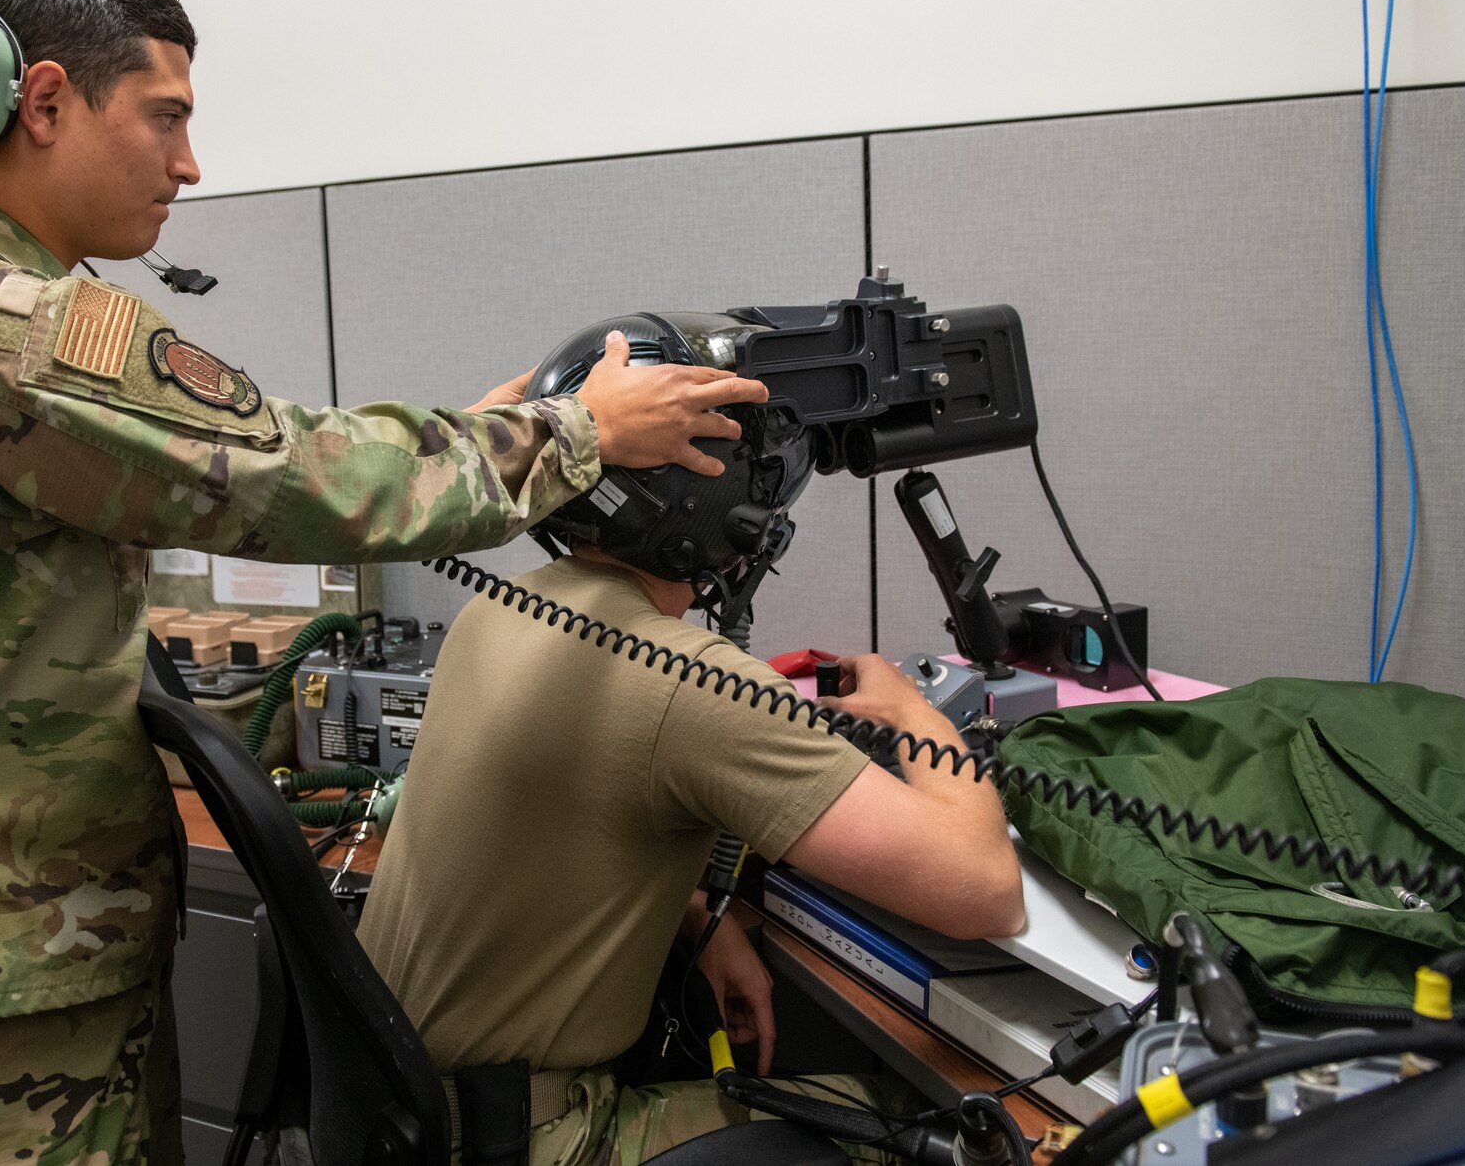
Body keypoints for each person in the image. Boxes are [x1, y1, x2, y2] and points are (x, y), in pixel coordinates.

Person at [0, 0, 766, 1166]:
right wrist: (576, 434)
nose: (188, 164)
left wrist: (490, 426)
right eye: (167, 115)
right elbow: (282, 477)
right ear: (48, 102)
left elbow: (261, 453)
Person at [358, 311, 1026, 1165]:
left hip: (407, 1117)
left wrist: (698, 913)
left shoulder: (496, 613)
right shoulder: (686, 679)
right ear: (714, 506)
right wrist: (916, 712)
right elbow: (983, 889)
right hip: (534, 1139)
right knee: (957, 1133)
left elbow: (564, 814)